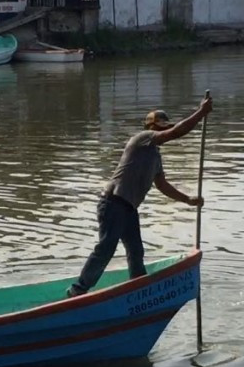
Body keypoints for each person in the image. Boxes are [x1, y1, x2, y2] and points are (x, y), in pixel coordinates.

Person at [66, 96, 213, 298]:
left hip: (128, 209)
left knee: (136, 251)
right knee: (107, 247)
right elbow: (177, 132)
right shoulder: (142, 138)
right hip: (113, 203)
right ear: (151, 127)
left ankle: (139, 288)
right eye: (159, 128)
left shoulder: (156, 156)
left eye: (164, 127)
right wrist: (200, 113)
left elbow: (162, 185)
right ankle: (78, 289)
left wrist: (188, 200)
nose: (162, 131)